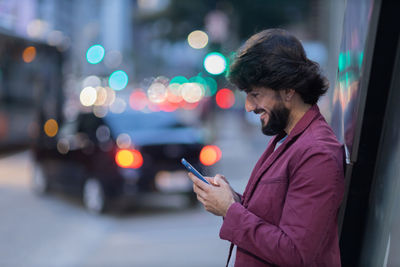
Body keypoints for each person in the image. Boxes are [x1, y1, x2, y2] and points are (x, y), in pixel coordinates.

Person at [187, 29, 345, 267]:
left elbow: (296, 255)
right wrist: (232, 200)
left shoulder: (316, 152)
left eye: (256, 95)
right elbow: (274, 217)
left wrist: (230, 210)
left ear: (288, 90)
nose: (249, 106)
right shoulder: (289, 139)